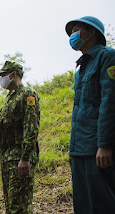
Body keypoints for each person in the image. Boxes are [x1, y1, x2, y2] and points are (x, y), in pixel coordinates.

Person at [65, 16, 115, 213]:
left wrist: (104, 144)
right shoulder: (80, 69)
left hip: (97, 150)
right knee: (83, 205)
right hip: (80, 150)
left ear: (92, 32)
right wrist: (72, 149)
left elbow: (109, 103)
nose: (72, 35)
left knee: (102, 205)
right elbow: (78, 111)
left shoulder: (108, 57)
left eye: (76, 30)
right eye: (71, 32)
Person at [0, 61, 40, 214]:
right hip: (7, 158)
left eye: (3, 75)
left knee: (20, 206)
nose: (1, 79)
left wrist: (25, 158)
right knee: (11, 205)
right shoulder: (10, 98)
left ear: (13, 75)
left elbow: (31, 127)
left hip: (20, 158)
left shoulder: (27, 94)